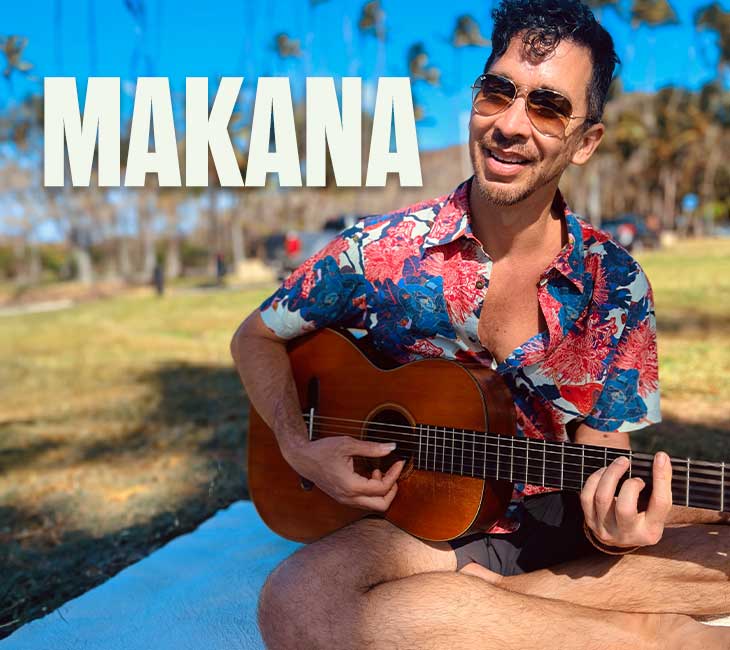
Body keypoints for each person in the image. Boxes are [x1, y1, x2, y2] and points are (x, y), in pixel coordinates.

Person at [230, 1, 730, 647]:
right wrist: (299, 446)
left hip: (557, 514)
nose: (511, 126)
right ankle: (646, 631)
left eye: (548, 107)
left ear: (585, 142)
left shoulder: (615, 280)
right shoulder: (381, 250)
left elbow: (603, 449)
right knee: (298, 603)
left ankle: (476, 609)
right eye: (498, 92)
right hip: (421, 529)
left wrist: (612, 525)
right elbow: (257, 336)